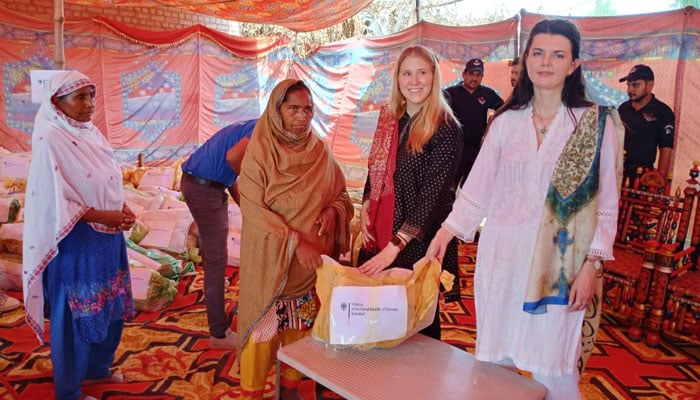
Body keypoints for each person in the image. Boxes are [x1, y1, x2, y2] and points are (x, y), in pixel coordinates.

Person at [427, 19, 622, 399]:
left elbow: (607, 203)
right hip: (501, 259)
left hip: (560, 266)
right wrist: (444, 234)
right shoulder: (505, 123)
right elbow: (477, 188)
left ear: (574, 64)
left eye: (558, 54)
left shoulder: (593, 125)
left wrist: (593, 265)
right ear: (527, 59)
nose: (546, 62)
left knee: (555, 371)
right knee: (495, 367)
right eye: (538, 52)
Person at [236, 79, 353, 400]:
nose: (302, 116)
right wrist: (293, 241)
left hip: (306, 270)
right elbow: (253, 209)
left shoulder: (320, 151)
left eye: (307, 109)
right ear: (277, 111)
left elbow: (342, 193)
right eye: (293, 109)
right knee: (261, 335)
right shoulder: (259, 152)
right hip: (269, 265)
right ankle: (253, 392)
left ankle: (289, 389)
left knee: (298, 332)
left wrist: (333, 210)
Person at [22, 70, 135, 400]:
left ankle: (97, 369)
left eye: (92, 96)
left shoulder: (91, 134)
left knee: (108, 303)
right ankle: (68, 389)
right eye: (80, 97)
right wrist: (105, 215)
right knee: (76, 310)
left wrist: (123, 208)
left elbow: (103, 180)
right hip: (76, 239)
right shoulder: (50, 138)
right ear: (58, 103)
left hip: (107, 236)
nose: (89, 105)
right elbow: (54, 199)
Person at [358, 44, 463, 337]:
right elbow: (378, 165)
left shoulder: (445, 127)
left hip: (419, 239)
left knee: (418, 318)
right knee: (382, 315)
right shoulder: (393, 118)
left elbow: (433, 196)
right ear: (398, 79)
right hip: (383, 227)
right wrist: (368, 199)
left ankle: (421, 382)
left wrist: (395, 245)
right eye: (407, 73)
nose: (414, 81)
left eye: (422, 73)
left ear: (434, 76)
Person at [180, 119, 255, 349]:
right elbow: (233, 160)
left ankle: (217, 304)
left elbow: (229, 174)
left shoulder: (252, 126)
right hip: (205, 189)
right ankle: (219, 334)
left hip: (205, 185)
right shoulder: (263, 129)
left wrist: (247, 208)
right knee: (216, 261)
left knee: (215, 255)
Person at [444, 58, 504, 187]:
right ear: (464, 74)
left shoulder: (488, 94)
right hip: (454, 149)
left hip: (477, 150)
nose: (474, 78)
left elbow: (504, 110)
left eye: (478, 75)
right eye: (471, 74)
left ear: (482, 76)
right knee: (450, 187)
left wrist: (491, 126)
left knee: (473, 187)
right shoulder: (451, 93)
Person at [617, 64, 675, 184]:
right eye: (628, 85)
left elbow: (666, 148)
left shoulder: (663, 112)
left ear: (650, 85)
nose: (629, 90)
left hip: (643, 176)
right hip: (617, 171)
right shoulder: (623, 109)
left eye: (635, 85)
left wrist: (658, 181)